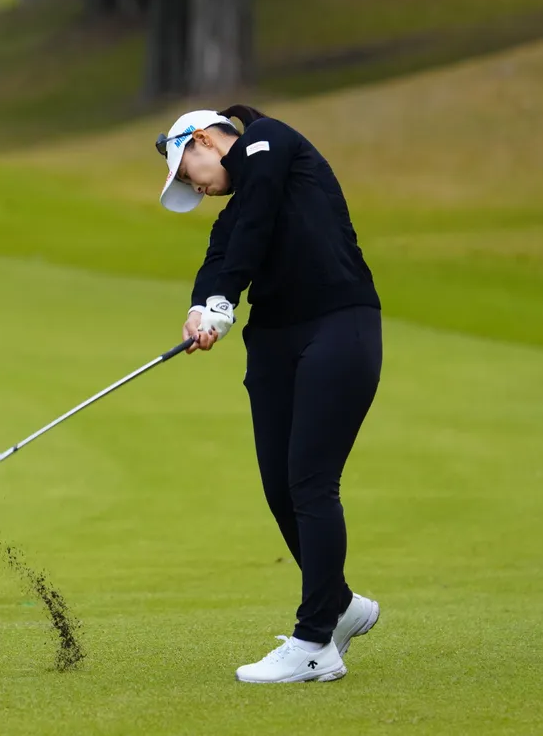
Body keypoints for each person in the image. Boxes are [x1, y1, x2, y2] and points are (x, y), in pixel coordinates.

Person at [156, 105, 382, 684]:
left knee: (310, 482)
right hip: (276, 341)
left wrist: (225, 298)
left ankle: (315, 644)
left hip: (339, 324)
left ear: (205, 140)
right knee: (280, 486)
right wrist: (200, 308)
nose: (196, 188)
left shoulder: (270, 141)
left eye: (188, 174)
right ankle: (341, 605)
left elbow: (256, 213)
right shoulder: (234, 213)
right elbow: (220, 256)